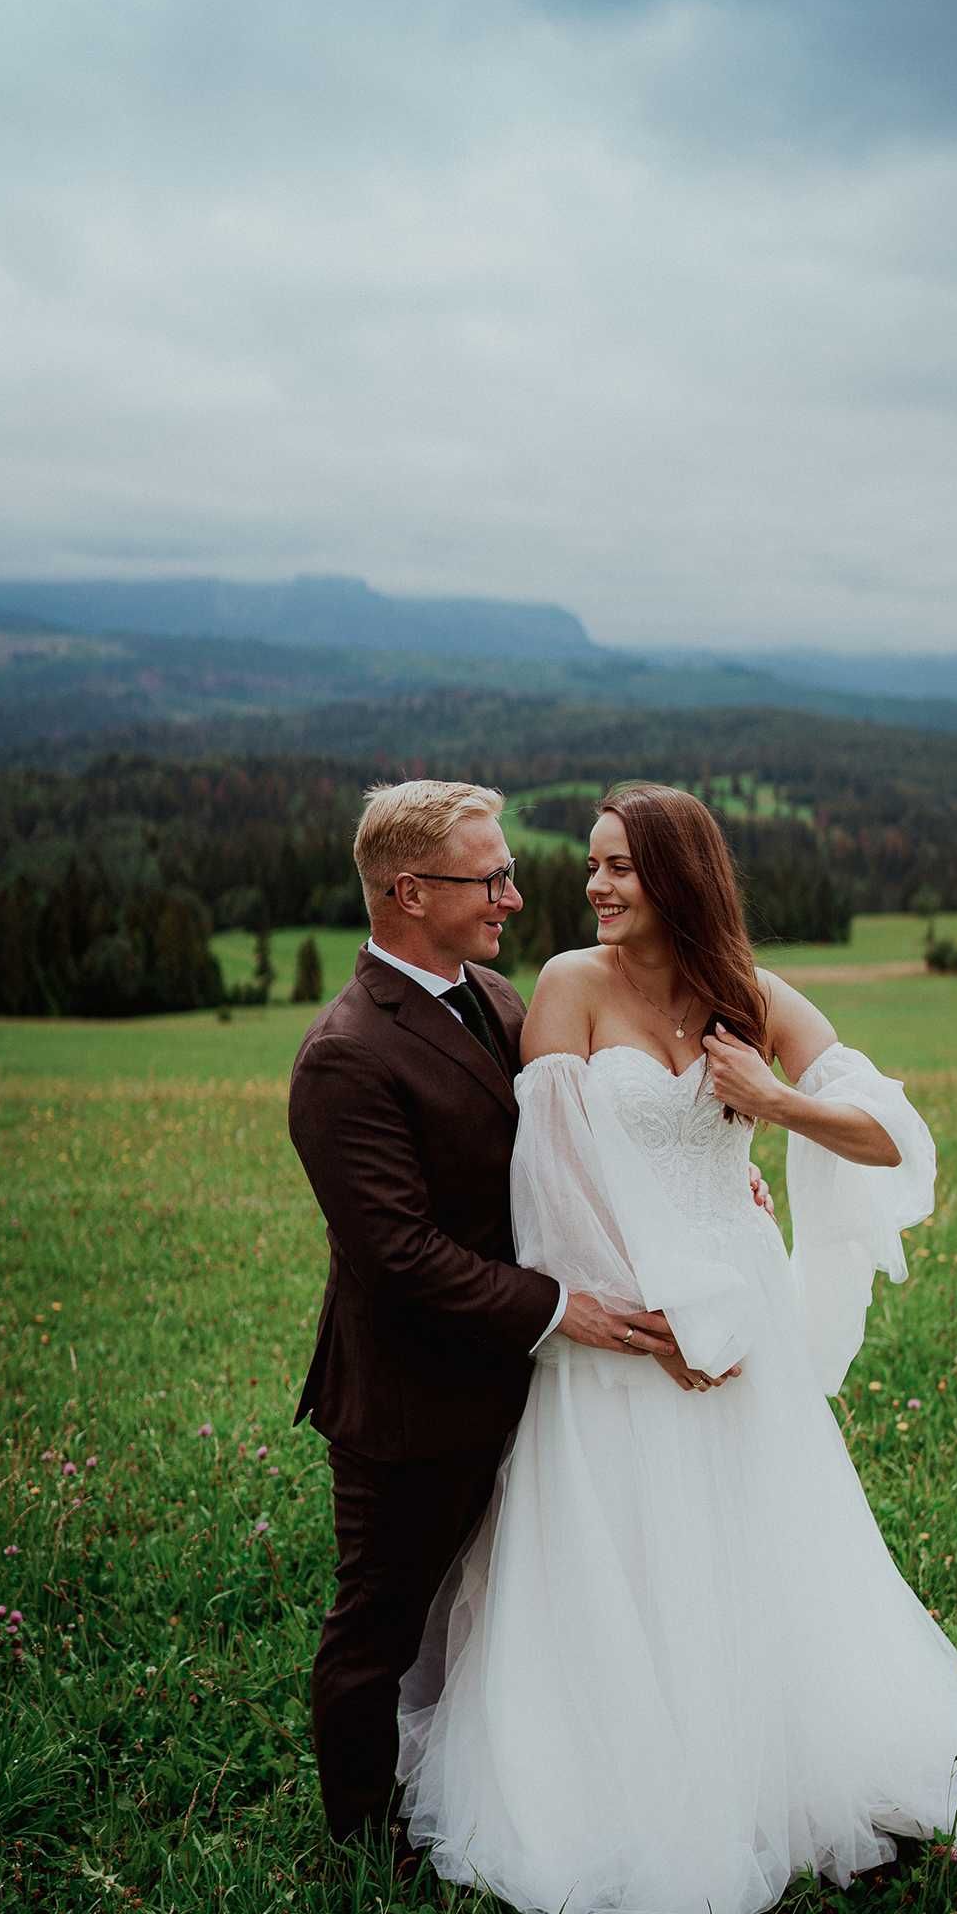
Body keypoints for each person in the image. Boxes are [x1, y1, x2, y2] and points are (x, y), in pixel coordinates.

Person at [396, 782, 957, 1914]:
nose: (594, 886)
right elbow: (553, 1187)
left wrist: (774, 1099)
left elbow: (895, 1137)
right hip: (626, 1323)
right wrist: (654, 1318)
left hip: (746, 1331)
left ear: (680, 877)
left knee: (763, 1547)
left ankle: (774, 1765)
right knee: (629, 1553)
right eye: (590, 865)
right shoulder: (568, 986)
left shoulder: (749, 994)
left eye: (620, 868)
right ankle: (635, 1786)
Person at [287, 779, 769, 1846]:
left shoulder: (498, 1000)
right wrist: (565, 1309)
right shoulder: (345, 1053)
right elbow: (398, 1253)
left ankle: (513, 1777)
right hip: (409, 1393)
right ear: (410, 891)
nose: (513, 893)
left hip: (521, 1381)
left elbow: (579, 1146)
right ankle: (364, 1843)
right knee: (383, 1618)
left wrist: (713, 1175)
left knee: (505, 1601)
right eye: (489, 876)